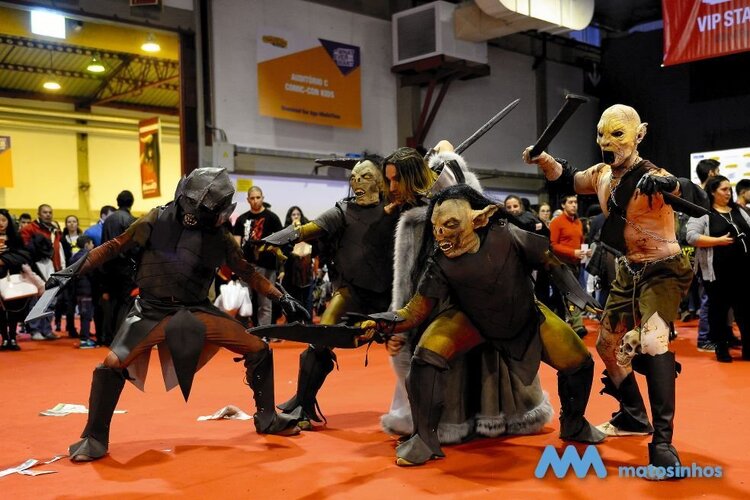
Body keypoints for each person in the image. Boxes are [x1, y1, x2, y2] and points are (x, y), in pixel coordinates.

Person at [52, 167, 309, 462]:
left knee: (258, 349)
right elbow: (114, 247)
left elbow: (247, 272)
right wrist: (68, 272)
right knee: (111, 364)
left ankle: (267, 417)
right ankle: (94, 436)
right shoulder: (156, 219)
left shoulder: (219, 237)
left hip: (197, 309)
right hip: (151, 310)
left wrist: (282, 297)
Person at [361, 184, 604, 466]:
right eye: (436, 227)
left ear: (479, 219)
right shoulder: (439, 262)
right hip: (470, 318)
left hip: (525, 314)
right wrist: (381, 323)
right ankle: (424, 438)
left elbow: (549, 261)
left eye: (450, 225)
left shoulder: (507, 235)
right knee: (425, 359)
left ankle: (574, 422)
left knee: (579, 362)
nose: (440, 234)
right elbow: (414, 311)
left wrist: (578, 295)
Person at [523, 103, 694, 477]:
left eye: (617, 134)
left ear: (639, 134)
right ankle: (633, 415)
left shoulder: (653, 176)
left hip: (663, 271)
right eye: (601, 134)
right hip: (628, 271)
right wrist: (544, 160)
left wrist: (669, 185)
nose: (606, 141)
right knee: (607, 345)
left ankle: (663, 443)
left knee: (653, 342)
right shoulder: (602, 174)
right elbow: (570, 178)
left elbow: (689, 192)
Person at [381, 143, 553, 445]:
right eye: (389, 180)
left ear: (412, 176)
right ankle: (445, 425)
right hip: (447, 303)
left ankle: (436, 430)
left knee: (459, 360)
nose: (392, 187)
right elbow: (408, 279)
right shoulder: (425, 213)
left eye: (397, 179)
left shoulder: (440, 210)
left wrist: (446, 156)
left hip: (474, 300)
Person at [265, 157, 397, 429]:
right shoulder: (342, 211)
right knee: (320, 339)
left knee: (419, 348)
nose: (357, 181)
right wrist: (274, 239)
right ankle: (302, 404)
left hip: (394, 295)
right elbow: (309, 229)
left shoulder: (396, 209)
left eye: (365, 176)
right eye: (354, 177)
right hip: (351, 292)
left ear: (380, 181)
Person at [686, 175, 750, 362]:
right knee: (719, 312)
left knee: (745, 311)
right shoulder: (703, 212)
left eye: (729, 189)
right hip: (717, 273)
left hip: (743, 271)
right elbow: (691, 236)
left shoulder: (739, 210)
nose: (728, 193)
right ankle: (721, 349)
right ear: (713, 192)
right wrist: (718, 241)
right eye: (724, 189)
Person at [233, 186, 283, 327]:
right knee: (244, 301)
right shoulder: (242, 219)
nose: (255, 200)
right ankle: (243, 331)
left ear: (263, 198)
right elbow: (236, 245)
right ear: (248, 200)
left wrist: (281, 267)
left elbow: (281, 242)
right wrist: (236, 265)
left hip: (266, 265)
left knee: (265, 302)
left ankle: (264, 333)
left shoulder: (272, 218)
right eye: (252, 198)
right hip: (246, 265)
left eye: (258, 197)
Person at [549, 194, 590, 339]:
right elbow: (553, 245)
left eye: (575, 202)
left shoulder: (578, 222)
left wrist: (584, 253)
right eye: (570, 202)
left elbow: (580, 241)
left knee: (564, 296)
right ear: (563, 205)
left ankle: (560, 320)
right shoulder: (556, 222)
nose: (574, 205)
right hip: (561, 264)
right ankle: (577, 324)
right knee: (570, 295)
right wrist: (573, 252)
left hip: (575, 264)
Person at [99, 191, 137, 346]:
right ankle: (119, 337)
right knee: (125, 302)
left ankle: (107, 336)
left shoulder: (108, 220)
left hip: (108, 266)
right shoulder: (130, 220)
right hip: (125, 267)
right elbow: (134, 246)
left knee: (111, 302)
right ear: (131, 203)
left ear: (117, 201)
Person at [0, 208, 33, 351]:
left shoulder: (15, 238)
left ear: (9, 221)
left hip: (12, 278)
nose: (1, 223)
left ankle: (13, 337)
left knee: (13, 309)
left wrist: (4, 258)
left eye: (3, 220)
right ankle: (4, 338)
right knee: (0, 311)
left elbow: (24, 256)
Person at [278, 206, 317, 315]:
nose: (296, 217)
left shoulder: (306, 230)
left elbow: (315, 248)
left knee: (307, 299)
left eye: (298, 214)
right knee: (292, 298)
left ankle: (308, 321)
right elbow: (282, 252)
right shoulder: (285, 232)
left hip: (306, 271)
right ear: (290, 217)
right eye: (293, 214)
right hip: (290, 271)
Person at [70, 235, 97, 349]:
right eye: (91, 243)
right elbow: (91, 274)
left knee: (83, 314)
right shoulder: (88, 256)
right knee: (86, 315)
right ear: (87, 244)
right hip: (86, 289)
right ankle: (84, 340)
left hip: (77, 290)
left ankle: (84, 337)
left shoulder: (74, 257)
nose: (93, 246)